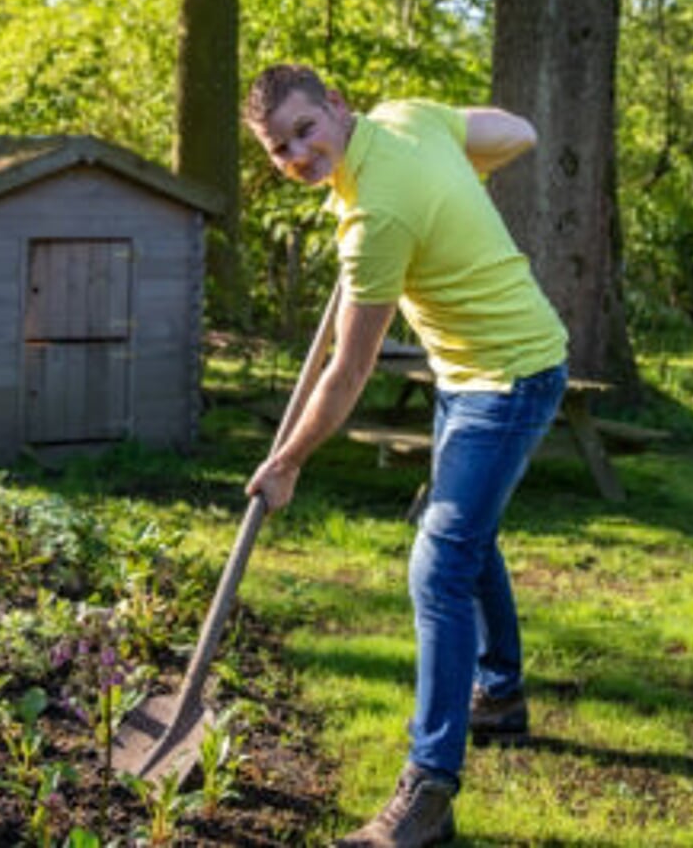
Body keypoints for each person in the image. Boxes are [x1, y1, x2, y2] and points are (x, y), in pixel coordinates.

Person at [243, 64, 569, 848]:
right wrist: (453, 171)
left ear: (336, 107)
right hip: (473, 372)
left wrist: (287, 460)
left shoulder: (375, 219)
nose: (296, 153)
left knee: (439, 562)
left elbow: (348, 371)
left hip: (509, 377)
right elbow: (515, 132)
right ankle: (500, 693)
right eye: (278, 147)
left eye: (304, 129)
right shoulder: (407, 119)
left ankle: (428, 790)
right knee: (452, 526)